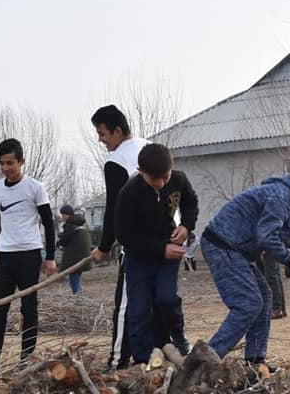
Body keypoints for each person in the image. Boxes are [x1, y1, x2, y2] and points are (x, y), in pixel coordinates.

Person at [201, 161, 290, 371]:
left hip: (236, 249)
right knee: (248, 304)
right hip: (223, 245)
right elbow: (266, 237)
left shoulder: (287, 198)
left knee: (265, 297)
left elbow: (273, 237)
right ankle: (205, 362)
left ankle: (255, 362)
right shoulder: (281, 196)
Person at [90, 105, 189, 368]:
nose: (100, 139)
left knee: (128, 305)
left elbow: (113, 210)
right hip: (168, 237)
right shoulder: (151, 147)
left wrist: (103, 247)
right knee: (159, 300)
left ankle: (118, 360)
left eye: (102, 133)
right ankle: (160, 352)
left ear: (117, 130)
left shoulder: (117, 161)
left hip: (141, 245)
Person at [0, 138, 57, 377]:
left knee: (29, 307)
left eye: (10, 163)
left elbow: (49, 224)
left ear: (21, 161)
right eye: (2, 163)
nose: (6, 168)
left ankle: (27, 359)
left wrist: (50, 256)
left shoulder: (35, 187)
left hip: (29, 253)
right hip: (6, 255)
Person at [115, 144, 198, 366]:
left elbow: (191, 203)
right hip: (139, 258)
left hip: (168, 255)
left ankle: (178, 337)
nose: (161, 183)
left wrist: (186, 226)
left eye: (165, 177)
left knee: (166, 298)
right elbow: (125, 235)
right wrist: (160, 248)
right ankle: (143, 358)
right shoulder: (129, 194)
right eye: (155, 179)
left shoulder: (179, 179)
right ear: (141, 171)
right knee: (139, 309)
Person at [57, 204, 91, 295]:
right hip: (83, 255)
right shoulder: (80, 223)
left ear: (67, 214)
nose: (62, 217)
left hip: (74, 257)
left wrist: (59, 241)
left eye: (63, 214)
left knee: (73, 277)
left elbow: (64, 239)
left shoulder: (70, 225)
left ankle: (78, 296)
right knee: (76, 276)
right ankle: (79, 295)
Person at [262, 255, 287, 319]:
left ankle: (276, 309)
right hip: (269, 248)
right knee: (274, 275)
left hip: (267, 248)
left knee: (271, 276)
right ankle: (280, 309)